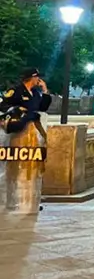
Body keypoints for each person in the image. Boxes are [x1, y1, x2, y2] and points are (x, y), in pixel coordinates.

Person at [0, 68, 52, 212]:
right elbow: (3, 105)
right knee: (13, 168)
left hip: (31, 134)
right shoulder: (16, 91)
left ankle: (30, 199)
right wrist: (17, 109)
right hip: (17, 134)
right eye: (37, 78)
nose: (38, 80)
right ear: (31, 78)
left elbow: (43, 107)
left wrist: (45, 91)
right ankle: (10, 199)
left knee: (31, 167)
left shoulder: (36, 93)